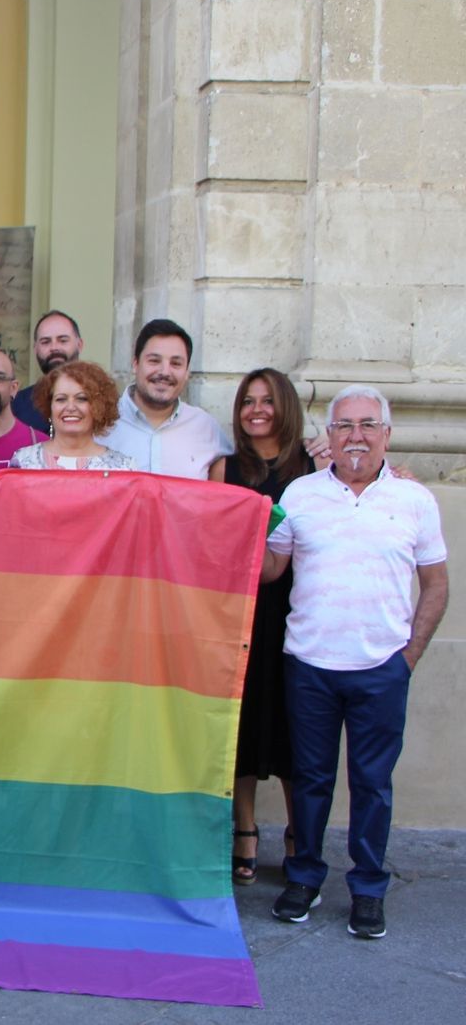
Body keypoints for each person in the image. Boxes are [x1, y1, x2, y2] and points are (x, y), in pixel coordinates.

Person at [263, 386, 449, 939]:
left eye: (368, 425)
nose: (356, 436)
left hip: (380, 669)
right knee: (312, 780)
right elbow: (272, 570)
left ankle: (368, 887)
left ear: (387, 435)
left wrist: (406, 657)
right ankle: (304, 879)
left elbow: (436, 586)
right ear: (330, 435)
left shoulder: (415, 500)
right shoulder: (299, 494)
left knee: (372, 783)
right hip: (310, 664)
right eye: (344, 426)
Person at [207, 368, 312, 885]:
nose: (256, 410)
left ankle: (301, 833)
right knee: (243, 724)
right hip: (243, 609)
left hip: (300, 611)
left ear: (284, 406)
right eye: (247, 401)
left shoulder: (314, 466)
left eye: (267, 400)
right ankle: (244, 829)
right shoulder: (224, 468)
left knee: (295, 728)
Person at [102, 318, 231, 477]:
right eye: (154, 361)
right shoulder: (101, 422)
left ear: (187, 372)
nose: (164, 372)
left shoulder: (206, 427)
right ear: (135, 364)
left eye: (176, 363)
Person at [10, 361, 136, 471]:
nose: (70, 407)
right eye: (61, 399)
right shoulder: (23, 461)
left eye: (81, 399)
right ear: (49, 406)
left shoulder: (122, 467)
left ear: (99, 406)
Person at [14, 310, 83, 432]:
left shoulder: (100, 399)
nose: (54, 348)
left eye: (63, 340)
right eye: (46, 342)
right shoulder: (18, 405)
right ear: (35, 349)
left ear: (80, 345)